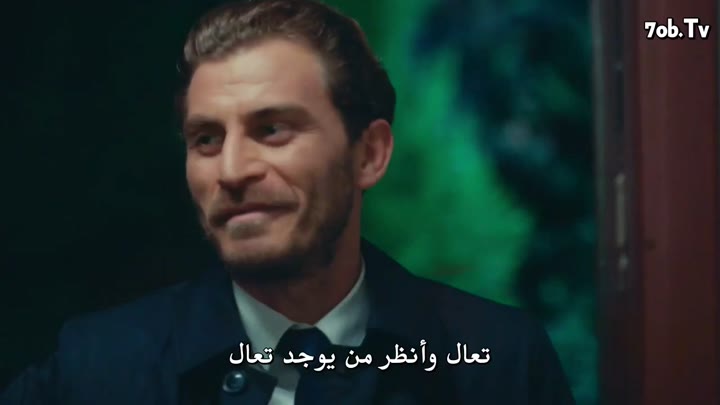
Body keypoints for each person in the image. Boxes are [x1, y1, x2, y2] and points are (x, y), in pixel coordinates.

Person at [1, 0, 575, 404]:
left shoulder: (498, 364)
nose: (232, 171)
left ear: (369, 154)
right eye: (206, 139)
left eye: (272, 129)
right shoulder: (97, 369)